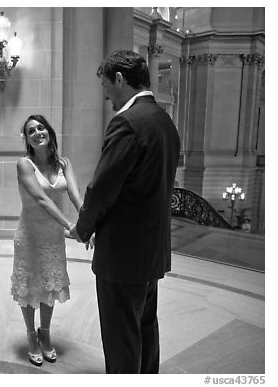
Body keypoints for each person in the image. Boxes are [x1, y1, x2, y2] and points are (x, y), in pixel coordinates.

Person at [70, 50, 181, 373]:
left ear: (119, 79)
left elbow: (102, 187)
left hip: (123, 256)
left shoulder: (128, 123)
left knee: (121, 340)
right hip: (151, 251)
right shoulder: (164, 122)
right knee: (145, 328)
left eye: (105, 86)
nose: (105, 95)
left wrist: (82, 228)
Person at [11, 114, 85, 366]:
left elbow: (76, 195)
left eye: (41, 128)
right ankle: (31, 336)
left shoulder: (64, 163)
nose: (37, 133)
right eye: (31, 131)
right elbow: (42, 199)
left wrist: (87, 225)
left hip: (53, 236)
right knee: (30, 286)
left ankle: (45, 333)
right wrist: (69, 225)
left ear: (50, 132)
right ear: (28, 140)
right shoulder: (24, 164)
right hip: (30, 234)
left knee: (50, 285)